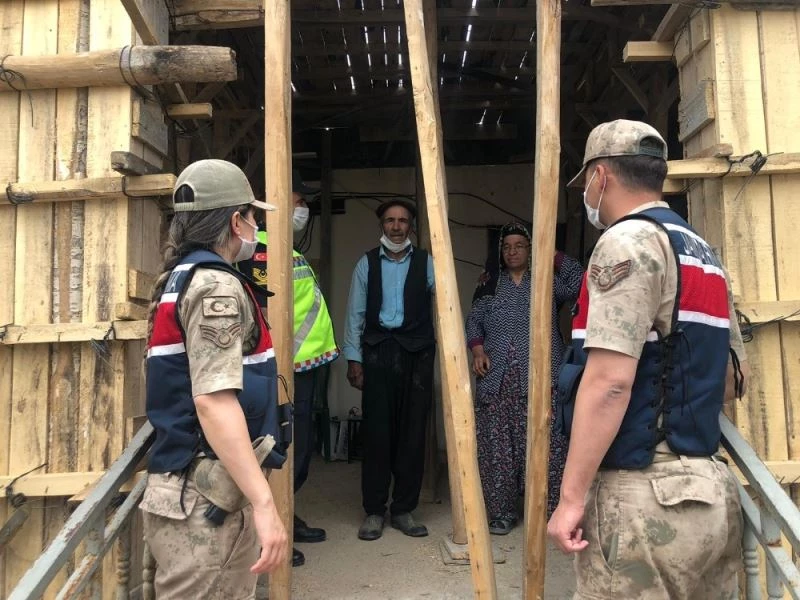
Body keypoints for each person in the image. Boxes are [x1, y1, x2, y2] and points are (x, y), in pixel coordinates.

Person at [549, 120, 749, 599]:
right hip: (709, 494)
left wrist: (570, 498)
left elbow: (610, 382)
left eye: (585, 183)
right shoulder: (703, 254)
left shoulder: (627, 242)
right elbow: (730, 381)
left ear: (600, 177)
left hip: (643, 495)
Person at [140, 159, 291, 598]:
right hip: (205, 501)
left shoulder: (180, 276)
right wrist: (264, 503)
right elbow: (213, 400)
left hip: (188, 488)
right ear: (235, 221)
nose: (256, 226)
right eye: (253, 216)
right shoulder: (215, 287)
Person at [236, 170, 339, 567]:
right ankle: (268, 530)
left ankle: (286, 515)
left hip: (303, 366)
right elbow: (262, 312)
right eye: (298, 200)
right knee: (279, 449)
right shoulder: (261, 251)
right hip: (281, 370)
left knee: (300, 448)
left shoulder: (283, 249)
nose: (303, 208)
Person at [466, 223, 583, 534]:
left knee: (548, 446)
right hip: (497, 379)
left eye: (520, 245)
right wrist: (477, 351)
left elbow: (580, 282)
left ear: (530, 250)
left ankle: (549, 510)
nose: (512, 251)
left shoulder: (546, 281)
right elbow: (474, 321)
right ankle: (502, 512)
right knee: (498, 448)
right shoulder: (490, 283)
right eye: (507, 246)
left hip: (543, 379)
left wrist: (552, 253)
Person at [343, 199, 435, 541]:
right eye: (390, 221)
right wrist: (354, 359)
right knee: (377, 434)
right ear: (381, 225)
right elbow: (354, 314)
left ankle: (403, 510)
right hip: (378, 353)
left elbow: (444, 308)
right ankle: (374, 510)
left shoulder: (427, 263)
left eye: (403, 221)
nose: (396, 227)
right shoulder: (366, 264)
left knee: (413, 434)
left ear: (411, 226)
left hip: (417, 356)